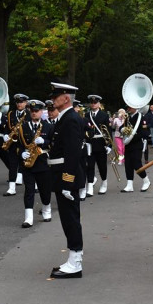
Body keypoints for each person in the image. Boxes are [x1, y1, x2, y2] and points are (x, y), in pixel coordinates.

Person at [47, 83, 85, 278]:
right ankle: (72, 259)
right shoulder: (65, 118)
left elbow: (72, 153)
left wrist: (68, 182)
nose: (53, 99)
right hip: (61, 173)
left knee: (71, 219)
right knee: (67, 218)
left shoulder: (70, 119)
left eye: (56, 96)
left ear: (66, 98)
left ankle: (76, 261)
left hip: (66, 175)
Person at [18, 100, 53, 228]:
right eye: (32, 111)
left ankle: (46, 210)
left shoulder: (48, 126)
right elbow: (19, 145)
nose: (34, 113)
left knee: (45, 190)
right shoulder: (23, 127)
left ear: (41, 112)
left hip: (43, 162)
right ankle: (28, 218)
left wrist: (45, 141)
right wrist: (21, 153)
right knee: (29, 190)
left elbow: (54, 144)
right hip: (28, 164)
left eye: (36, 111)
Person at [2, 94, 29, 196]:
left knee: (28, 164)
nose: (19, 104)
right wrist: (5, 135)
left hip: (25, 143)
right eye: (17, 102)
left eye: (21, 102)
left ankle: (33, 185)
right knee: (12, 166)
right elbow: (7, 128)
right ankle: (11, 188)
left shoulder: (29, 114)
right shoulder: (11, 114)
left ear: (26, 103)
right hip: (13, 144)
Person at [119, 105, 151, 192]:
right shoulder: (128, 118)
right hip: (128, 145)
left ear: (135, 107)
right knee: (128, 165)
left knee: (137, 164)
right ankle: (129, 185)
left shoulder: (141, 117)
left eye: (130, 107)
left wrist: (132, 135)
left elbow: (145, 132)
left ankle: (146, 180)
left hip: (137, 144)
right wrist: (122, 129)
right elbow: (121, 127)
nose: (128, 109)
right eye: (127, 107)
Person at [85, 95, 111, 195]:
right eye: (91, 103)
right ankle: (90, 186)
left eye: (95, 102)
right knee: (89, 166)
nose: (93, 104)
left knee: (102, 166)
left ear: (99, 104)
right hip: (90, 144)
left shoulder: (104, 115)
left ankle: (104, 183)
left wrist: (108, 145)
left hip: (101, 143)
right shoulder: (87, 115)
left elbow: (107, 131)